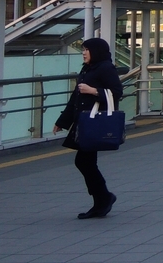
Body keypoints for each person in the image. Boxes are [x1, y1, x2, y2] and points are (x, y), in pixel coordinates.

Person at [53, 37, 124, 219]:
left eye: (86, 49)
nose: (83, 52)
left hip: (94, 123)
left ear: (97, 51)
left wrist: (93, 91)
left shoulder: (105, 68)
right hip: (84, 122)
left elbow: (117, 92)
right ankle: (102, 199)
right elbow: (75, 97)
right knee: (85, 162)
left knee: (84, 162)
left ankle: (103, 198)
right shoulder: (88, 68)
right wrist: (62, 121)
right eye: (83, 49)